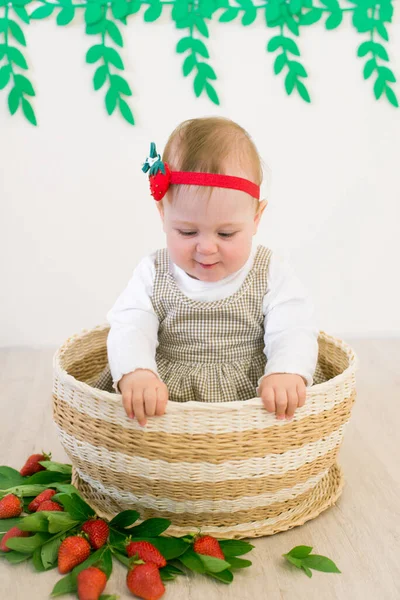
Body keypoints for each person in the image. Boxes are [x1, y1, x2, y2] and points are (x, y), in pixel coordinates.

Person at [106, 116, 319, 426]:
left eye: (226, 234)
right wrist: (137, 371)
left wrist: (286, 370)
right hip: (167, 400)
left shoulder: (270, 272)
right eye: (187, 232)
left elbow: (293, 327)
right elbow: (131, 325)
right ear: (163, 214)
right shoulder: (153, 272)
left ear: (256, 218)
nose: (206, 247)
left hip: (252, 399)